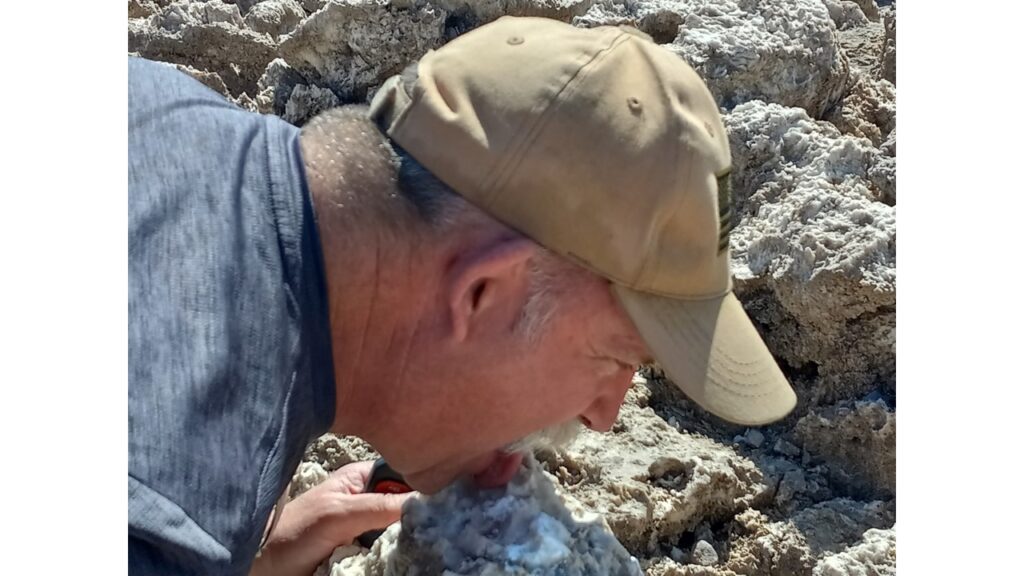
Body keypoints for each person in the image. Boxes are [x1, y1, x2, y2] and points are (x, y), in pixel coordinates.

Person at [128, 15, 796, 576]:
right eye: (619, 359)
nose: (605, 415)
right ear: (483, 293)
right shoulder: (165, 510)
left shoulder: (158, 104)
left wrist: (247, 553)